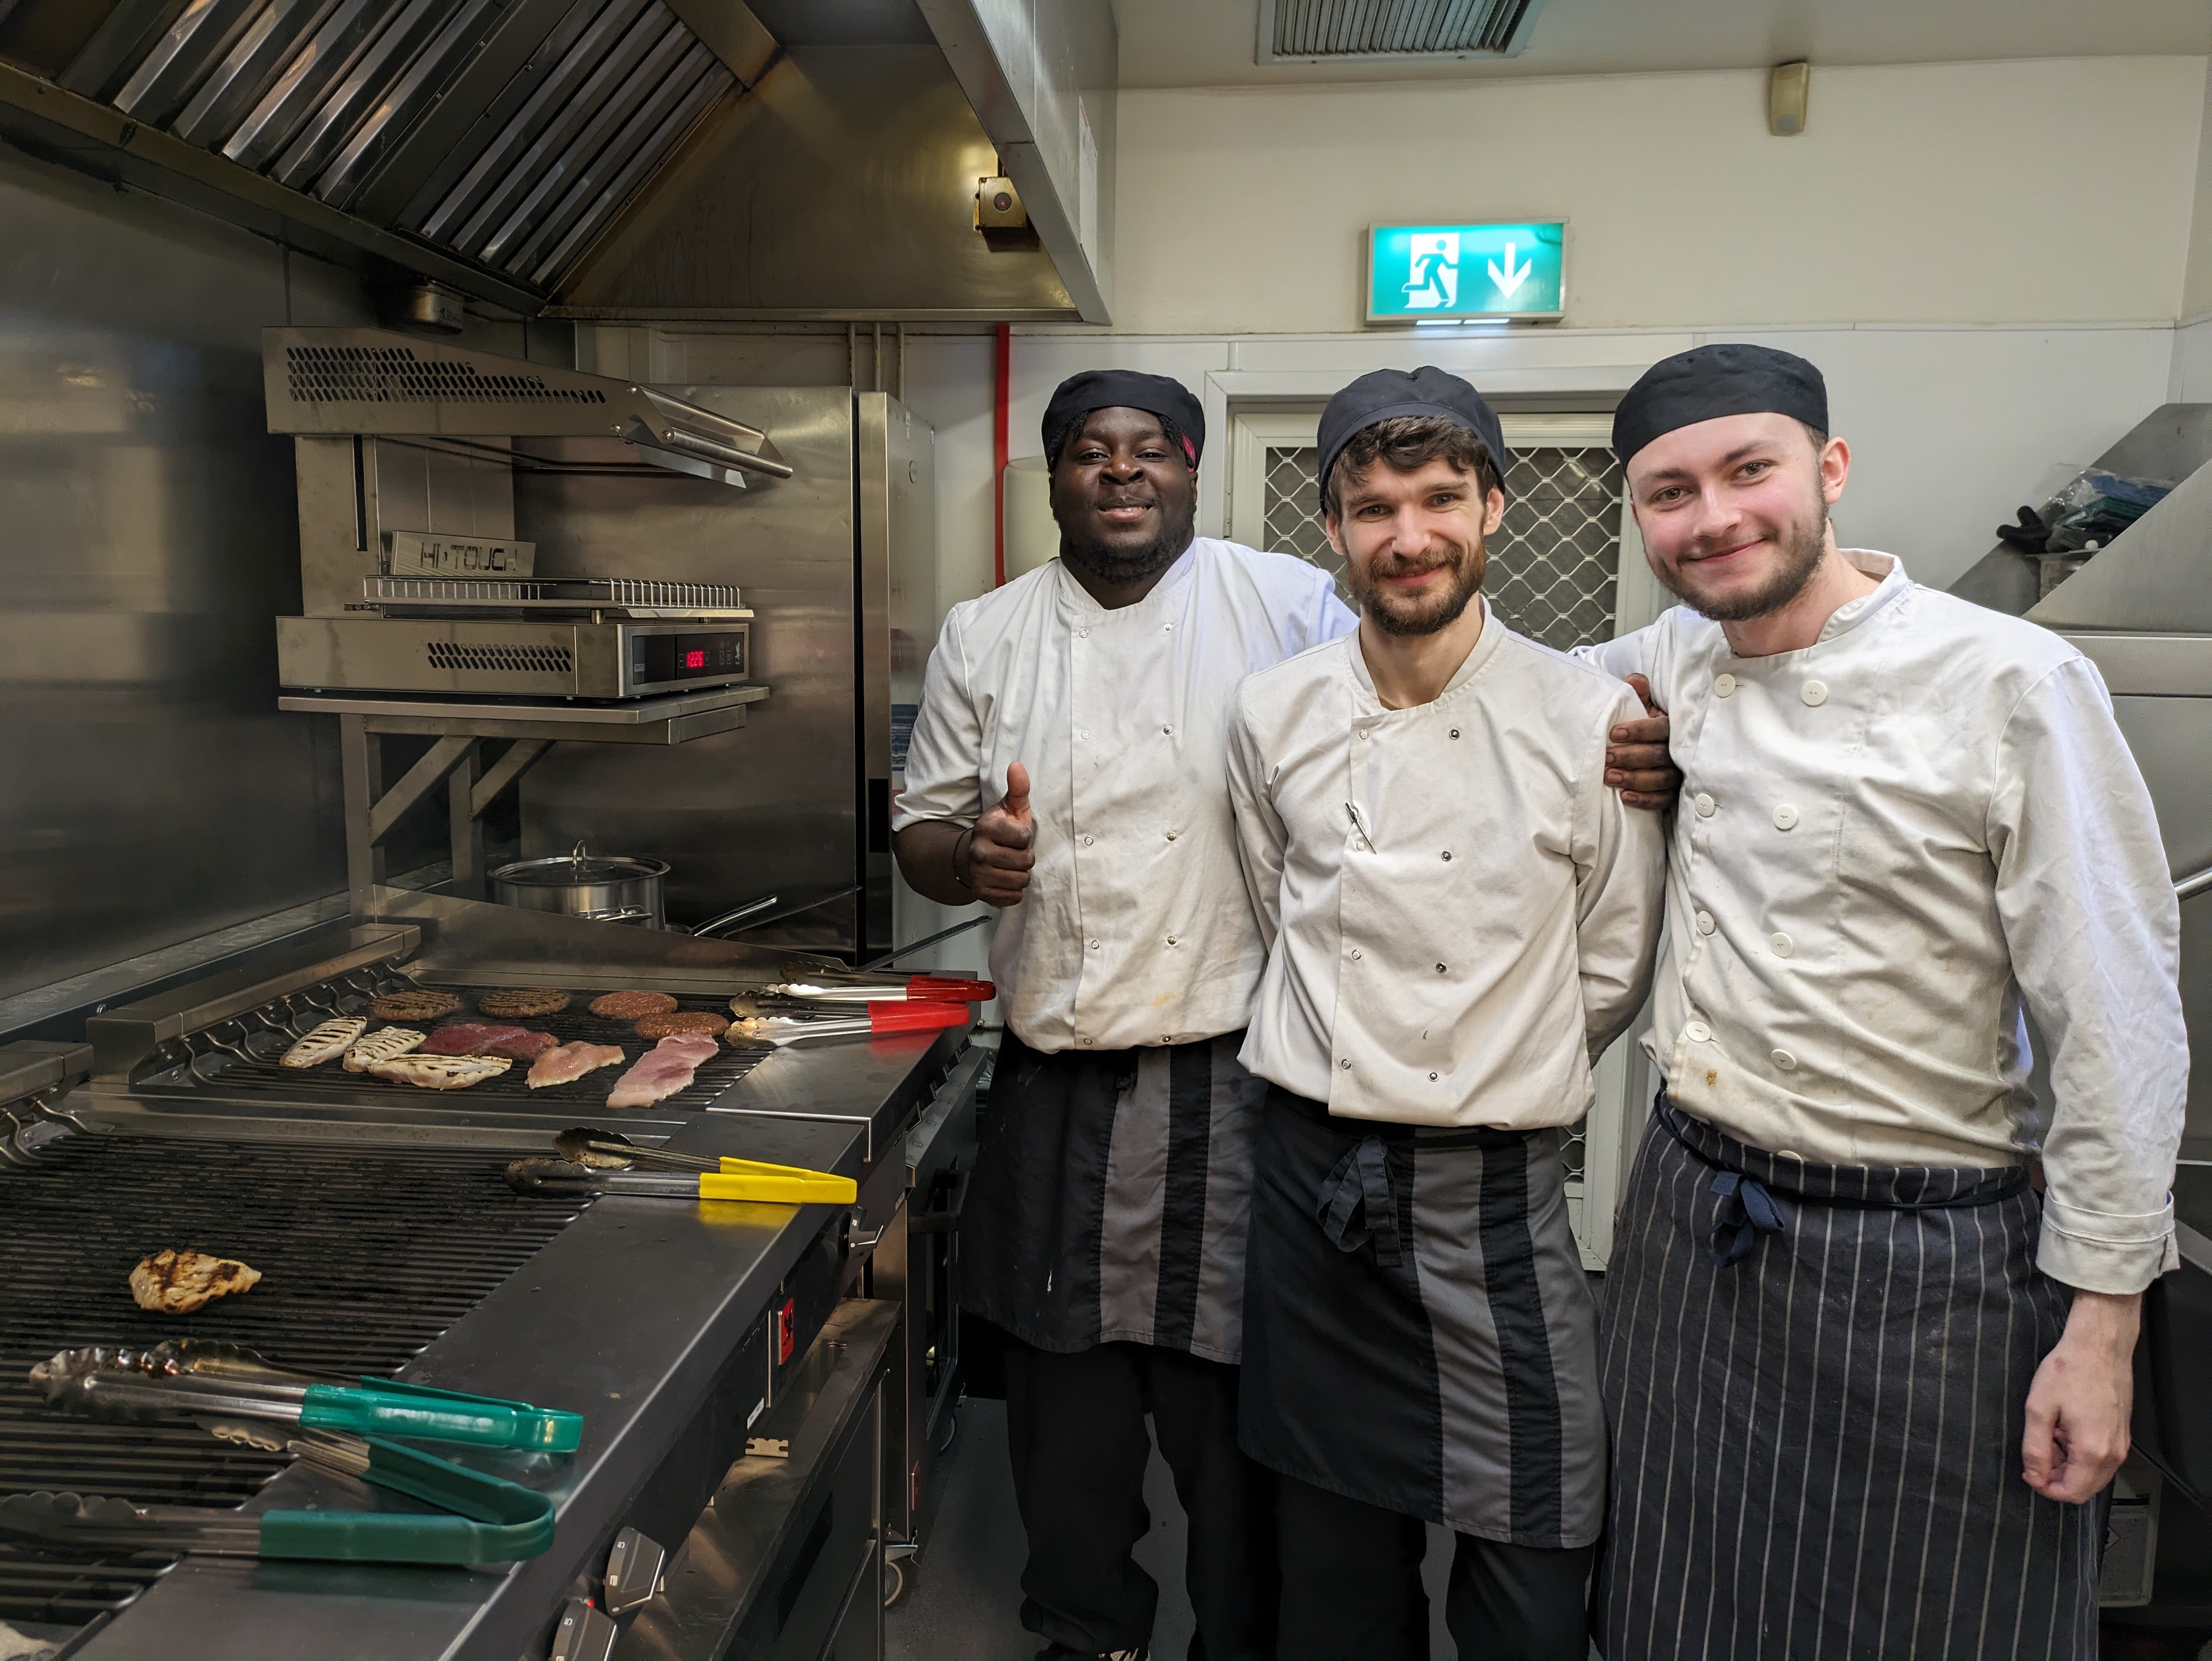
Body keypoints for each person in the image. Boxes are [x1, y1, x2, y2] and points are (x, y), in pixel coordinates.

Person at [1583, 343, 2190, 1660]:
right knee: (1673, 1605)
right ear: (1640, 517)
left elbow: (2117, 1026)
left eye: (1752, 472)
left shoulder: (2012, 684)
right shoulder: (1670, 661)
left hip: (1932, 1258)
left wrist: (2104, 1327)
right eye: (1670, 492)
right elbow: (1501, 693)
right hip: (1693, 1224)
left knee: (1946, 1620)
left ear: (1832, 471)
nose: (1716, 518)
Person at [891, 369, 1353, 1661]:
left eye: (1150, 448)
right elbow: (924, 830)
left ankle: (1240, 1638)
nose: (1121, 469)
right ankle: (1085, 1629)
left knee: (1234, 1411)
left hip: (1236, 1078)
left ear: (1193, 467)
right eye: (1091, 450)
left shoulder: (1286, 603)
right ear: (1057, 478)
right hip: (1061, 1076)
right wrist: (967, 860)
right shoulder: (986, 634)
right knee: (1065, 1411)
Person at [1224, 367, 1667, 1661]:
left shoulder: (1588, 717)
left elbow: (1612, 963)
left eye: (1436, 500)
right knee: (1333, 1567)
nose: (1406, 535)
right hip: (1311, 1179)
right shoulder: (1273, 713)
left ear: (1494, 509)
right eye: (1371, 508)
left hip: (1492, 1188)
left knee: (1537, 1552)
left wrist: (1483, 1060)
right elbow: (1278, 909)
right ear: (1333, 532)